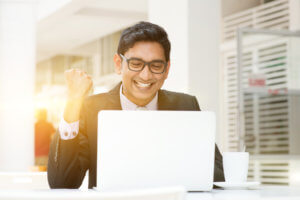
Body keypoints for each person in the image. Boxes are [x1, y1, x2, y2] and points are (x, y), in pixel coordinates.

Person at [47, 21, 224, 189]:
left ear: (167, 69)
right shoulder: (91, 109)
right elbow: (62, 182)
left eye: (156, 65)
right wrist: (73, 103)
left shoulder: (186, 106)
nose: (146, 76)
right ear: (118, 64)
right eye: (136, 64)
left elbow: (218, 177)